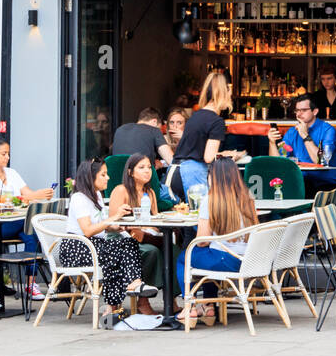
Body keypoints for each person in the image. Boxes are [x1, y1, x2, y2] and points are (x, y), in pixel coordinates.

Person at [59, 158, 160, 328]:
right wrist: (114, 217)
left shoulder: (96, 195)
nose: (108, 178)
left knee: (128, 243)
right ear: (91, 177)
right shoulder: (79, 198)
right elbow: (88, 230)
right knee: (117, 251)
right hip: (77, 248)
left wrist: (117, 227)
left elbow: (101, 227)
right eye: (103, 175)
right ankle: (125, 293)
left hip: (94, 245)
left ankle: (124, 294)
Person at [177, 157, 260, 326]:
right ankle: (208, 306)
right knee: (205, 255)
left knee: (185, 256)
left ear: (213, 177)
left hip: (226, 260)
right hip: (249, 260)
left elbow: (201, 241)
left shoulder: (210, 200)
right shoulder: (247, 197)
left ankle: (190, 305)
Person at [107, 153, 166, 315]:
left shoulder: (150, 192)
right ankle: (143, 301)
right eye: (141, 168)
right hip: (121, 238)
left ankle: (171, 301)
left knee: (171, 249)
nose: (147, 171)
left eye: (149, 167)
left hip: (143, 236)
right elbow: (112, 223)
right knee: (151, 252)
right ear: (130, 172)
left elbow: (155, 221)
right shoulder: (121, 190)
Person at [0, 137, 53, 255]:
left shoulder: (12, 173)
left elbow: (28, 194)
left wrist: (42, 195)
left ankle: (31, 273)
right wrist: (34, 196)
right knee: (32, 223)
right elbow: (1, 197)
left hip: (15, 222)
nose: (7, 157)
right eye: (3, 154)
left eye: (8, 154)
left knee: (31, 236)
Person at [172, 72, 243, 196]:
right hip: (192, 174)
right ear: (223, 93)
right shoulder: (216, 121)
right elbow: (209, 157)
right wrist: (229, 155)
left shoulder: (195, 115)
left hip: (175, 171)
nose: (231, 96)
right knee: (202, 214)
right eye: (229, 92)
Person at [111, 107, 177, 205]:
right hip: (143, 190)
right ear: (155, 122)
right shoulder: (153, 130)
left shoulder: (120, 130)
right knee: (177, 197)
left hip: (116, 188)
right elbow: (172, 160)